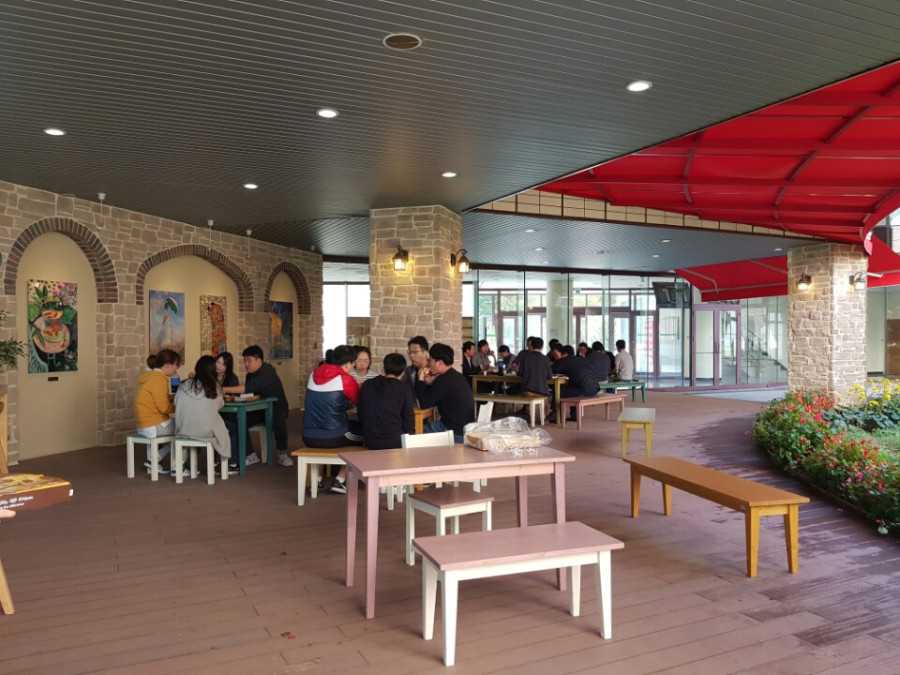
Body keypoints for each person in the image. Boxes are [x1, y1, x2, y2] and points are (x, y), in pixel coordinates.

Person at [302, 344, 363, 493]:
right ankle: (340, 480)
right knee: (366, 435)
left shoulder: (313, 374)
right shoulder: (346, 379)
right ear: (348, 364)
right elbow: (358, 401)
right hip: (335, 435)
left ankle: (317, 479)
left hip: (308, 436)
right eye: (353, 364)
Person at [223, 345, 293, 467]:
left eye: (249, 361)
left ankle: (282, 454)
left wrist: (224, 389)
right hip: (259, 409)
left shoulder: (268, 372)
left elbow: (248, 388)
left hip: (276, 408)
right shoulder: (250, 375)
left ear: (259, 360)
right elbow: (250, 393)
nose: (246, 364)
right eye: (244, 361)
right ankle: (250, 454)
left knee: (279, 420)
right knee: (239, 420)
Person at [174, 355, 234, 473]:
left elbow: (176, 402)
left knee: (194, 420)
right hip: (204, 431)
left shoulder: (184, 384)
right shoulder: (215, 387)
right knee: (221, 425)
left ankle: (182, 465)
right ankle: (224, 463)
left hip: (183, 429)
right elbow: (220, 405)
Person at [415, 343, 475, 443]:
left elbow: (424, 404)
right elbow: (432, 398)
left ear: (439, 362)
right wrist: (430, 384)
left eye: (430, 360)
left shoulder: (444, 379)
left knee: (417, 431)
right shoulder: (455, 375)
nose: (428, 364)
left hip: (454, 432)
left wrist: (420, 380)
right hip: (464, 429)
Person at [134, 349, 181, 476]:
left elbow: (160, 398)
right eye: (176, 365)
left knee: (182, 428)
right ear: (168, 364)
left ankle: (155, 459)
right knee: (186, 429)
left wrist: (175, 397)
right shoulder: (159, 380)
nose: (177, 368)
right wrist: (181, 407)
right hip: (153, 425)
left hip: (144, 424)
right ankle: (161, 461)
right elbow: (164, 408)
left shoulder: (150, 377)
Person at [357, 353, 415, 450]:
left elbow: (360, 413)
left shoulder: (367, 384)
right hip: (395, 442)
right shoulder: (404, 389)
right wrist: (410, 437)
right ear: (403, 372)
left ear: (384, 369)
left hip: (370, 441)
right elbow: (408, 418)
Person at [552, 345, 600, 419]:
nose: (560, 356)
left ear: (565, 354)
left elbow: (552, 369)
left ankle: (556, 416)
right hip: (595, 388)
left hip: (584, 390)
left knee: (558, 392)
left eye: (561, 354)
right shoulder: (582, 359)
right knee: (571, 388)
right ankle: (574, 415)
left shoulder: (566, 360)